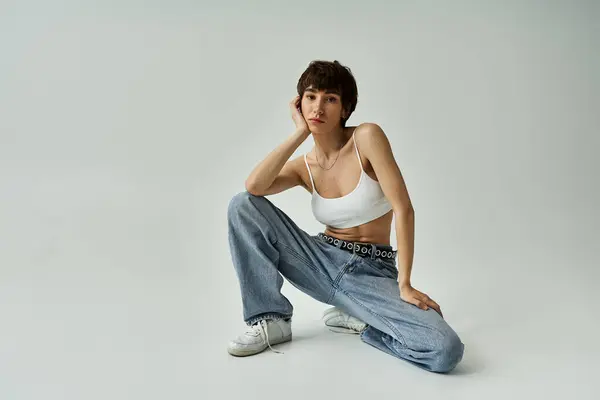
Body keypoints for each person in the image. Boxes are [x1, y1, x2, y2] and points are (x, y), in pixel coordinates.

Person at [226, 60, 464, 373]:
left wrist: (404, 283)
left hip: (371, 272)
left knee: (445, 350)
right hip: (318, 261)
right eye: (310, 97)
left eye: (330, 99)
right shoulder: (304, 165)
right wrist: (300, 133)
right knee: (243, 205)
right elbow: (253, 187)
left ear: (345, 108)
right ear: (299, 104)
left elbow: (404, 208)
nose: (318, 108)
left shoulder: (366, 137)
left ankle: (362, 322)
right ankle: (271, 320)